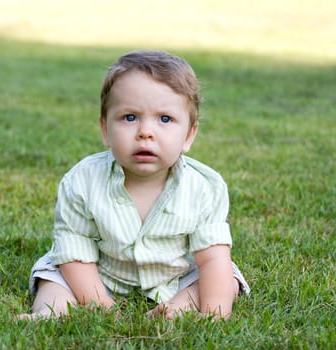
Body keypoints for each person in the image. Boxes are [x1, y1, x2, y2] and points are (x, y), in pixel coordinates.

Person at [18, 50, 250, 320]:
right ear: (105, 129)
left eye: (165, 119)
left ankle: (178, 307)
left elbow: (211, 258)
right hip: (98, 272)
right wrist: (101, 304)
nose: (145, 132)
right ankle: (51, 313)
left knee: (224, 278)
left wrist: (215, 314)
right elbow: (74, 251)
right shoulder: (82, 181)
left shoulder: (205, 187)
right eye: (130, 117)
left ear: (189, 135)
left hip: (175, 275)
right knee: (54, 278)